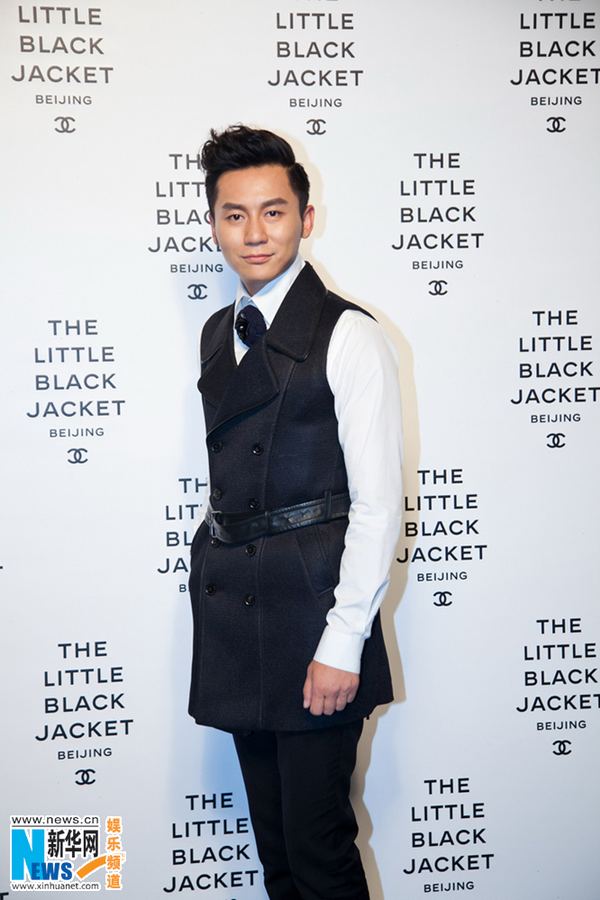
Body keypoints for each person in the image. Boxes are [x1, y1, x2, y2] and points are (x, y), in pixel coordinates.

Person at [188, 125, 403, 900]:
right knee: (275, 853)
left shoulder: (348, 333)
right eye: (234, 214)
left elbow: (378, 506)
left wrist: (343, 641)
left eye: (273, 212)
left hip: (312, 620)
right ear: (213, 222)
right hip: (240, 620)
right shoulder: (221, 332)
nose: (254, 233)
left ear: (305, 218)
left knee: (318, 852)